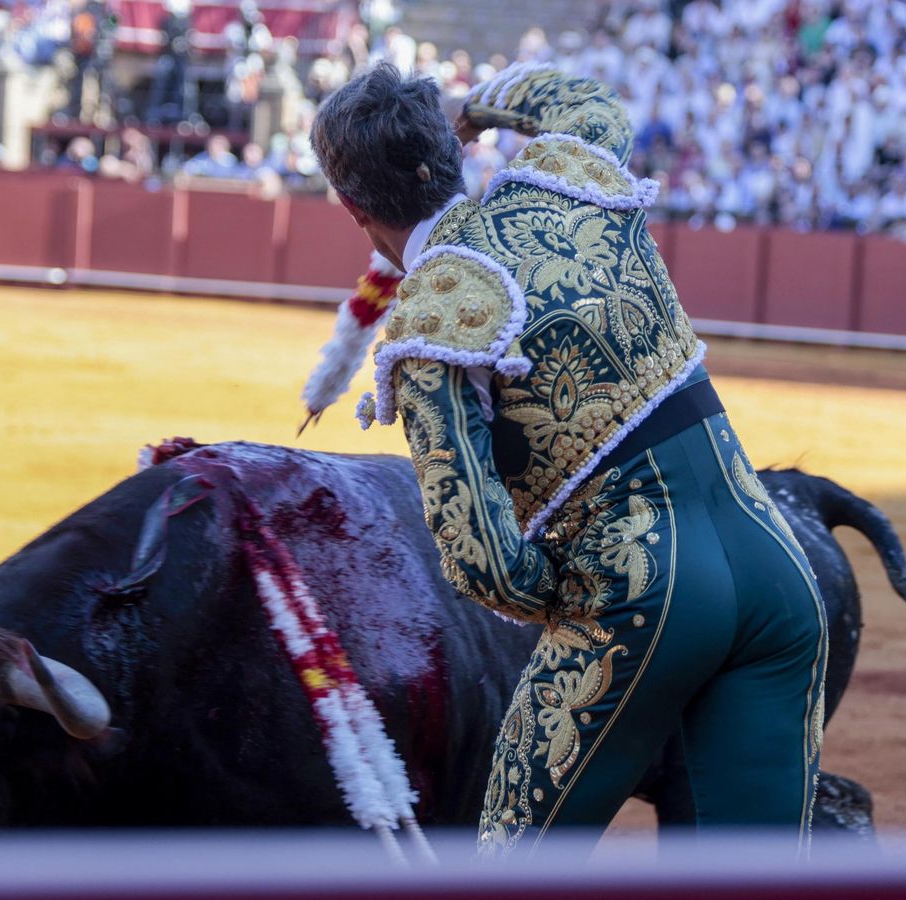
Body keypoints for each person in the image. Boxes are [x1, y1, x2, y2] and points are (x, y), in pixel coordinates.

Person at [307, 63, 827, 858]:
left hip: (640, 593)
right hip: (776, 564)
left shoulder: (430, 320)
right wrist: (474, 110)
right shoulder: (568, 177)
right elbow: (581, 97)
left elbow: (487, 565)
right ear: (450, 152)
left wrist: (583, 589)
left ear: (352, 208)